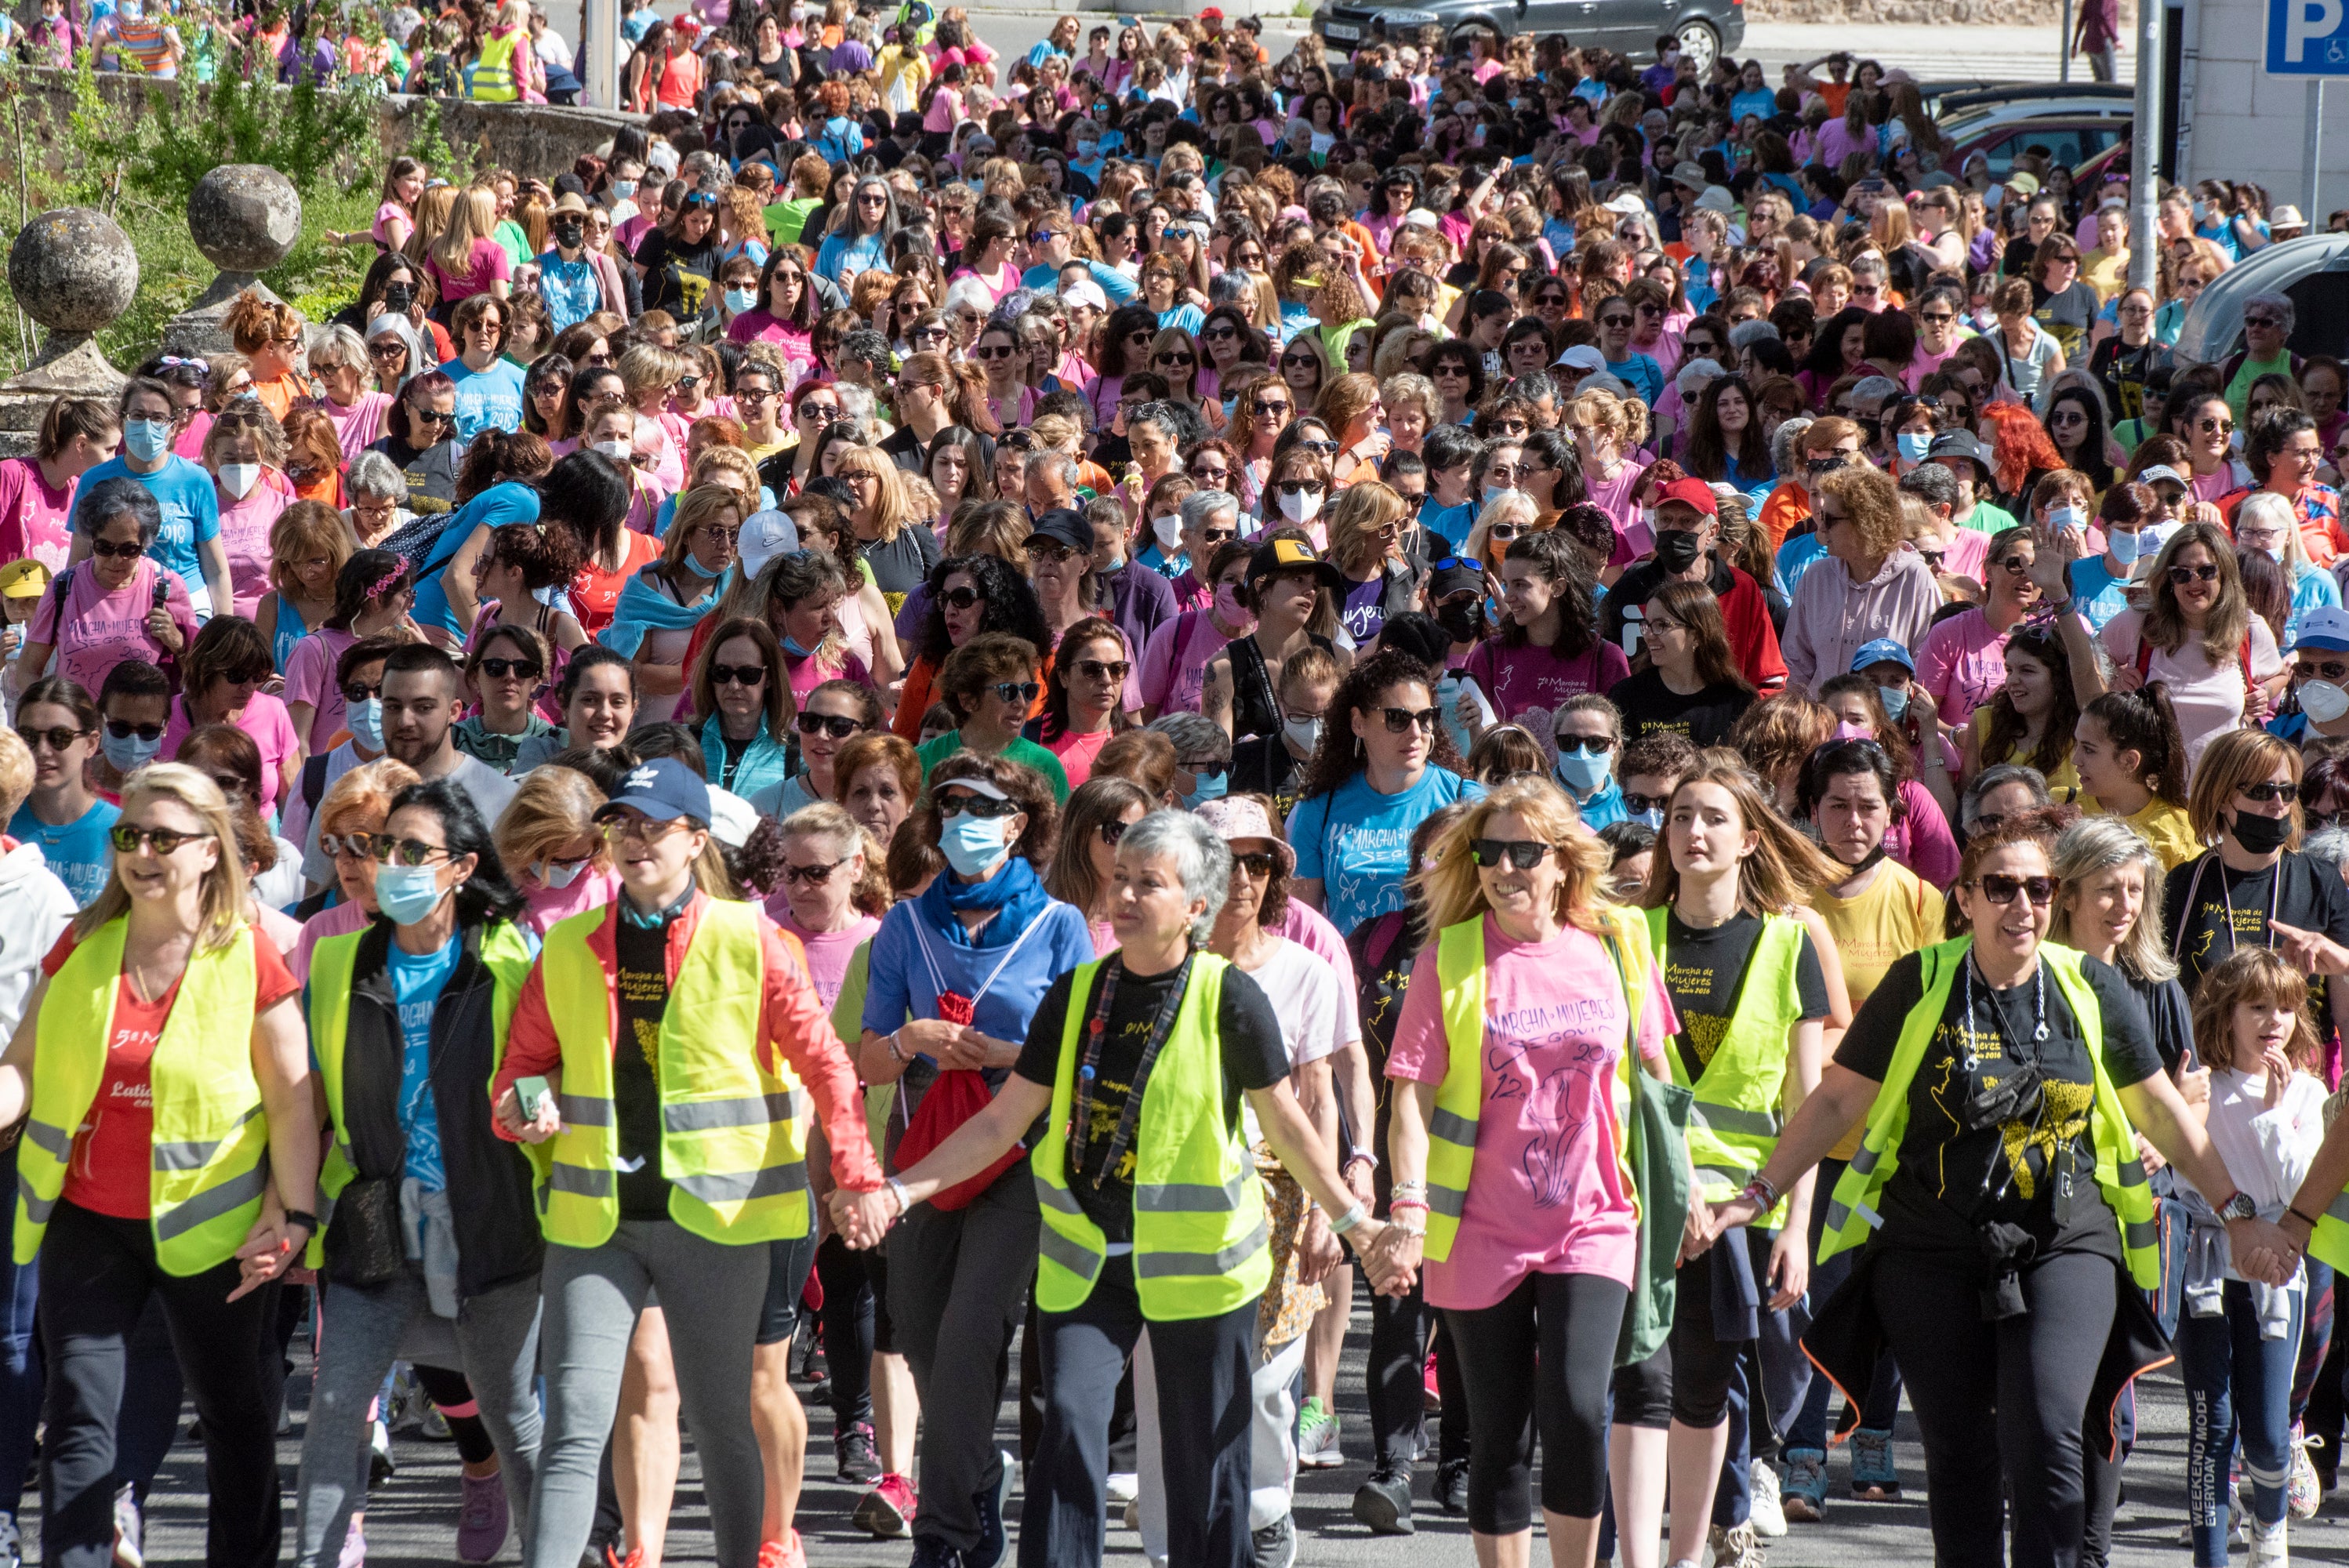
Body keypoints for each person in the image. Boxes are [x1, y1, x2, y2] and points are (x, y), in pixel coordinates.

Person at [1705, 808, 2298, 1568]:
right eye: (2001, 887)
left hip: (2065, 1239)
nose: (2022, 906)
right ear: (1966, 897)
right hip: (1930, 1243)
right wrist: (1755, 1192)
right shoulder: (1917, 982)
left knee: (2047, 1426)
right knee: (1957, 1448)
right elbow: (1833, 1101)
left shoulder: (2087, 986)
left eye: (2039, 889)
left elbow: (2160, 1107)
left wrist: (2239, 1214)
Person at [832, 807, 1375, 1568]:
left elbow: (1286, 1123)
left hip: (1199, 1272)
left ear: (1196, 905)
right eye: (1119, 877)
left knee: (1200, 1470)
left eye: (1147, 883)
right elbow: (1000, 1124)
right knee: (1070, 1438)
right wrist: (897, 1189)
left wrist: (1357, 1219)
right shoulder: (1076, 993)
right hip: (1087, 1262)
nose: (1123, 894)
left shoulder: (1229, 998)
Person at [491, 757, 887, 1568]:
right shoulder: (564, 946)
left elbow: (826, 1064)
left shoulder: (755, 940)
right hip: (596, 1218)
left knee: (718, 1417)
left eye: (652, 824)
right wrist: (517, 1108)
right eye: (621, 824)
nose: (633, 839)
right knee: (574, 1420)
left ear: (694, 838)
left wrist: (855, 1173)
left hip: (721, 1218)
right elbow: (517, 1071)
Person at [3, 764, 317, 1568]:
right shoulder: (79, 943)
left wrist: (294, 1215)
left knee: (232, 1416)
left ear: (211, 850)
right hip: (85, 1219)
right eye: (129, 836)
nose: (142, 852)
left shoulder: (250, 956)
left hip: (211, 1229)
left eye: (163, 838)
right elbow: (24, 1069)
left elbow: (292, 1099)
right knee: (77, 1413)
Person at [1363, 775, 1676, 1567]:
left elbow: (1657, 1080)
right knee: (1497, 1428)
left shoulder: (1619, 941)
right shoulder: (1451, 954)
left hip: (1594, 1218)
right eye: (1490, 851)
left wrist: (1691, 1188)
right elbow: (1410, 1097)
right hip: (1478, 1226)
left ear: (1563, 860)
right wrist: (1406, 1209)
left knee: (1574, 1404)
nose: (1505, 867)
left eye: (1524, 851)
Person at [845, 751, 1095, 1568]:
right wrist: (912, 1038)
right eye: (949, 805)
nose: (962, 820)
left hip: (1021, 1157)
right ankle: (979, 1470)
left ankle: (945, 1532)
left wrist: (1010, 1052)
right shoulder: (904, 924)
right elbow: (868, 1060)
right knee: (918, 1331)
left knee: (967, 1334)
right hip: (923, 1149)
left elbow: (1080, 1061)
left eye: (980, 807)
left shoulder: (1060, 924)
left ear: (1018, 824)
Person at [296, 780, 546, 1568]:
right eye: (379, 847)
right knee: (336, 1406)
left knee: (510, 1412)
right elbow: (304, 1101)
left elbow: (546, 1063)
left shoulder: (512, 956)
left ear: (462, 867)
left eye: (412, 851)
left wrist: (537, 1108)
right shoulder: (335, 960)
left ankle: (552, 1547)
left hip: (491, 1221)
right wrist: (294, 1213)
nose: (387, 864)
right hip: (373, 1224)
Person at [1637, 757, 1839, 1568]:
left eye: (1714, 817)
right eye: (1681, 815)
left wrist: (1794, 1224)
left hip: (1734, 1211)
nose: (1693, 830)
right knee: (1640, 1390)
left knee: (1702, 1382)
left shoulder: (1787, 942)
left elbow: (1807, 1103)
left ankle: (1714, 1531)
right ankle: (1658, 1542)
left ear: (1749, 838)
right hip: (1644, 1198)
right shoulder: (1629, 932)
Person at [2055, 520, 2288, 771]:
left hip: (2222, 792)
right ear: (2169, 580)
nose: (2194, 582)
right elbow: (2087, 660)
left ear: (2225, 573)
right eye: (2182, 573)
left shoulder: (2248, 628)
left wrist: (2265, 692)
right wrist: (2114, 681)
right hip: (2154, 794)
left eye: (2207, 571)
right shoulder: (2140, 623)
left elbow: (2282, 674)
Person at [1287, 649, 1483, 935]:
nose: (1416, 732)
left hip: (1438, 974)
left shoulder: (1467, 801)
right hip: (1351, 975)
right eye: (1398, 718)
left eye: (1426, 717)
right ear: (1358, 722)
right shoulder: (1319, 809)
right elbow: (1302, 929)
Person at [20, 479, 198, 699]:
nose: (116, 560)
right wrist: (50, 716)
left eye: (129, 549)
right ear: (91, 539)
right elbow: (27, 669)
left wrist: (178, 643)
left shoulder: (167, 586)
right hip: (77, 729)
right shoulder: (63, 588)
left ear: (145, 544)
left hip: (141, 729)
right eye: (105, 548)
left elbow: (199, 673)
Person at [74, 379, 232, 621]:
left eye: (158, 418)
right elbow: (78, 560)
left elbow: (216, 569)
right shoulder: (93, 480)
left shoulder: (196, 480)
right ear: (122, 422)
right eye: (138, 415)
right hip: (114, 609)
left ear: (173, 427)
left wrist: (225, 630)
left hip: (187, 608)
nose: (147, 425)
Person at [1781, 463, 1940, 698]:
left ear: (1866, 523)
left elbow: (1926, 669)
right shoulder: (1815, 577)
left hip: (1885, 729)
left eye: (1830, 519)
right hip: (1819, 727)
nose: (1821, 528)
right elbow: (1796, 664)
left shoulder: (1916, 579)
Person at [1458, 530, 1628, 728]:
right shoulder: (1488, 656)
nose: (1508, 597)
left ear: (1557, 588)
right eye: (1507, 585)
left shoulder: (1605, 658)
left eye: (1520, 585)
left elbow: (1618, 741)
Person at [915, 633, 1072, 804]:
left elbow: (1060, 830)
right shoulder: (920, 762)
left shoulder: (1046, 765)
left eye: (1028, 690)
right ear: (968, 700)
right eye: (1008, 691)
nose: (1021, 703)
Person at [1604, 581, 1756, 750]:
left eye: (1661, 625)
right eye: (1647, 625)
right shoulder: (1626, 697)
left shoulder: (1738, 702)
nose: (1649, 635)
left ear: (1698, 634)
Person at [9, 677, 119, 907]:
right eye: (29, 737)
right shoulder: (4, 823)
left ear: (91, 744)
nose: (42, 751)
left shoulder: (119, 831)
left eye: (59, 737)